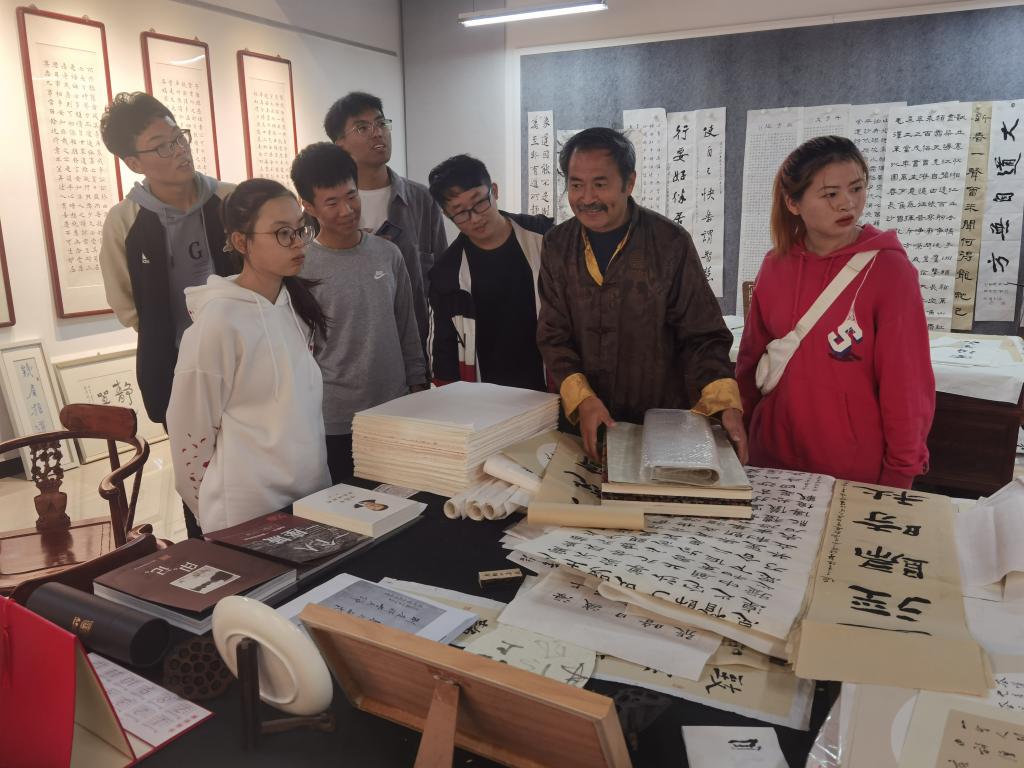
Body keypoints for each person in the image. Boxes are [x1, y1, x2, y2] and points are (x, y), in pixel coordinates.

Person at [536, 127, 746, 462]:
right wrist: (583, 399)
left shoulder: (669, 242)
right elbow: (553, 336)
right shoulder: (557, 245)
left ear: (629, 182)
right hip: (584, 423)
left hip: (659, 425)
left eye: (600, 184)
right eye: (576, 185)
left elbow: (702, 335)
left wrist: (725, 405)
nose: (587, 198)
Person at [735, 136, 934, 488]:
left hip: (851, 468)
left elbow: (906, 385)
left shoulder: (890, 271)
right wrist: (740, 431)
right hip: (771, 458)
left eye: (856, 188)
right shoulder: (775, 265)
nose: (848, 203)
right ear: (793, 203)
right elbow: (750, 361)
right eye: (830, 194)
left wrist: (901, 472)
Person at [166, 179, 331, 534]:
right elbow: (189, 432)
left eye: (301, 229)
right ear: (242, 242)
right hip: (246, 510)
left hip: (310, 494)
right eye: (282, 233)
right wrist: (208, 509)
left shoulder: (295, 306)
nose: (298, 242)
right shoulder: (219, 320)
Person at [290, 142, 426, 483]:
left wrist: (418, 386)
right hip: (335, 418)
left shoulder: (388, 254)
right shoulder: (300, 267)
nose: (347, 210)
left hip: (394, 408)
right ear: (308, 206)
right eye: (331, 202)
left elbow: (407, 327)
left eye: (352, 196)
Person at [99, 92, 237, 426]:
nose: (179, 150)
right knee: (195, 457)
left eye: (179, 138)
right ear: (134, 163)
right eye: (162, 146)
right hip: (176, 371)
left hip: (244, 357)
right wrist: (162, 334)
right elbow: (125, 302)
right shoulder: (124, 220)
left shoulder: (230, 199)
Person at [324, 91, 447, 358]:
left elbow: (442, 279)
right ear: (340, 144)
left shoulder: (421, 200)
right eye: (362, 128)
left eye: (381, 123)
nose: (377, 133)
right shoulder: (325, 208)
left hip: (416, 348)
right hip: (350, 352)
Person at [427, 154, 553, 390]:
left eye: (479, 203)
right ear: (447, 214)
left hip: (551, 387)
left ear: (494, 191)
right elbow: (443, 354)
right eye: (460, 212)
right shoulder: (447, 275)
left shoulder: (546, 240)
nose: (475, 218)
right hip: (486, 395)